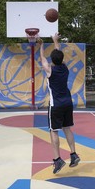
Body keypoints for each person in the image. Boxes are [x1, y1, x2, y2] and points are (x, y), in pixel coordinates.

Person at [37, 33, 80, 174]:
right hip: (68, 103)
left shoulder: (50, 70)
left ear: (53, 61)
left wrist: (41, 45)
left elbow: (42, 59)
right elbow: (58, 55)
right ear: (61, 59)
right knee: (67, 128)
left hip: (56, 105)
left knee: (53, 130)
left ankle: (57, 160)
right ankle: (73, 155)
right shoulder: (65, 68)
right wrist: (55, 41)